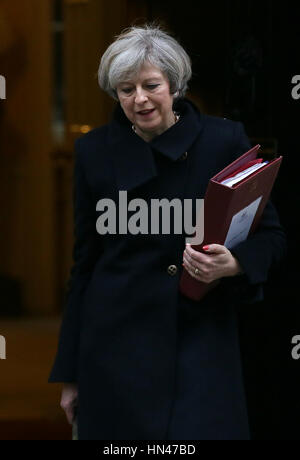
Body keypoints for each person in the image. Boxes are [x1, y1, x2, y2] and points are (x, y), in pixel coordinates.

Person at [48, 24, 286, 440]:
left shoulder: (223, 141)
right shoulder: (93, 152)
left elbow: (272, 237)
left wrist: (233, 264)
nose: (139, 99)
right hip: (113, 353)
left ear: (174, 84)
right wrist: (71, 374)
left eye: (150, 84)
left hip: (200, 346)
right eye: (125, 89)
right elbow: (84, 266)